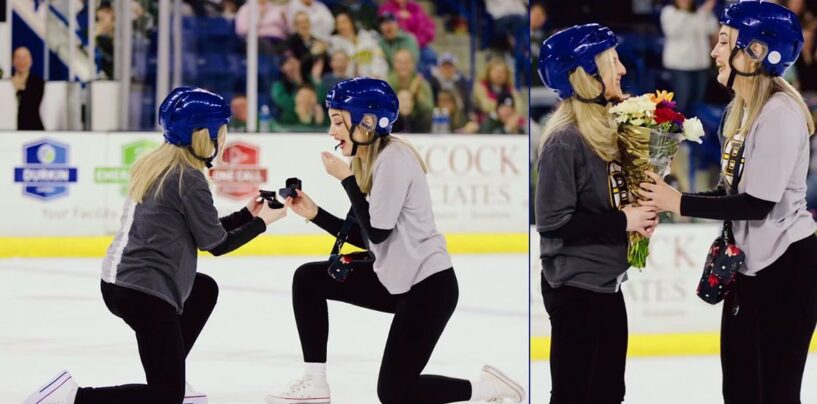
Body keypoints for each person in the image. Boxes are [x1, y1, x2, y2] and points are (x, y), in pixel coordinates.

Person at [265, 77, 524, 404]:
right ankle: (314, 382)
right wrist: (315, 213)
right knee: (308, 279)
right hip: (397, 279)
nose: (331, 132)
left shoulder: (393, 159)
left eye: (336, 122)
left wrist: (347, 181)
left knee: (394, 393)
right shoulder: (374, 158)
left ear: (367, 122)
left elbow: (377, 232)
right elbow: (370, 236)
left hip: (428, 288)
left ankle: (486, 389)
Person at [22, 87, 287, 404]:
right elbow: (215, 244)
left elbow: (202, 229)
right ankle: (70, 398)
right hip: (144, 291)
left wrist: (247, 213)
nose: (225, 138)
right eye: (221, 131)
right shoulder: (188, 177)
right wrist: (263, 223)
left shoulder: (159, 162)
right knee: (166, 395)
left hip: (122, 284)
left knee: (203, 290)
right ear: (204, 135)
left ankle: (169, 367)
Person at [640, 3, 817, 403]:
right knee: (738, 390)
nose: (715, 52)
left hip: (786, 270)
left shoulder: (780, 114)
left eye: (724, 42)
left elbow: (757, 204)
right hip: (751, 271)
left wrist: (679, 202)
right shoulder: (741, 110)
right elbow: (729, 193)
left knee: (773, 393)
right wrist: (668, 198)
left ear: (757, 52)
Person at [536, 24, 658, 404]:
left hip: (606, 283)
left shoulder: (609, 127)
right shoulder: (564, 140)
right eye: (612, 62)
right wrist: (625, 221)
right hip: (575, 289)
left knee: (609, 394)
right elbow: (553, 224)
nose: (622, 69)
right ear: (587, 76)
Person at [660, 0, 719, 116]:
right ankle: (679, 132)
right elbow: (672, 31)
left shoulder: (700, 12)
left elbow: (712, 29)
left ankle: (695, 131)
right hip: (679, 66)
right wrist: (686, 12)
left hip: (701, 65)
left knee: (698, 103)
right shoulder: (669, 12)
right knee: (683, 102)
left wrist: (706, 12)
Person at [329, 11, 389, 79]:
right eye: (338, 23)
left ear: (351, 22)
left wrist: (376, 74)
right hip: (351, 80)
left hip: (376, 76)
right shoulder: (335, 42)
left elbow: (378, 56)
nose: (341, 26)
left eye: (344, 22)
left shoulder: (366, 36)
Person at [12, 46, 45, 131]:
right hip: (10, 130)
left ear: (31, 61)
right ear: (13, 61)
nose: (21, 61)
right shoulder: (7, 83)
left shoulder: (38, 83)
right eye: (18, 57)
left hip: (33, 130)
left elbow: (30, 107)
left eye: (25, 57)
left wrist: (18, 89)